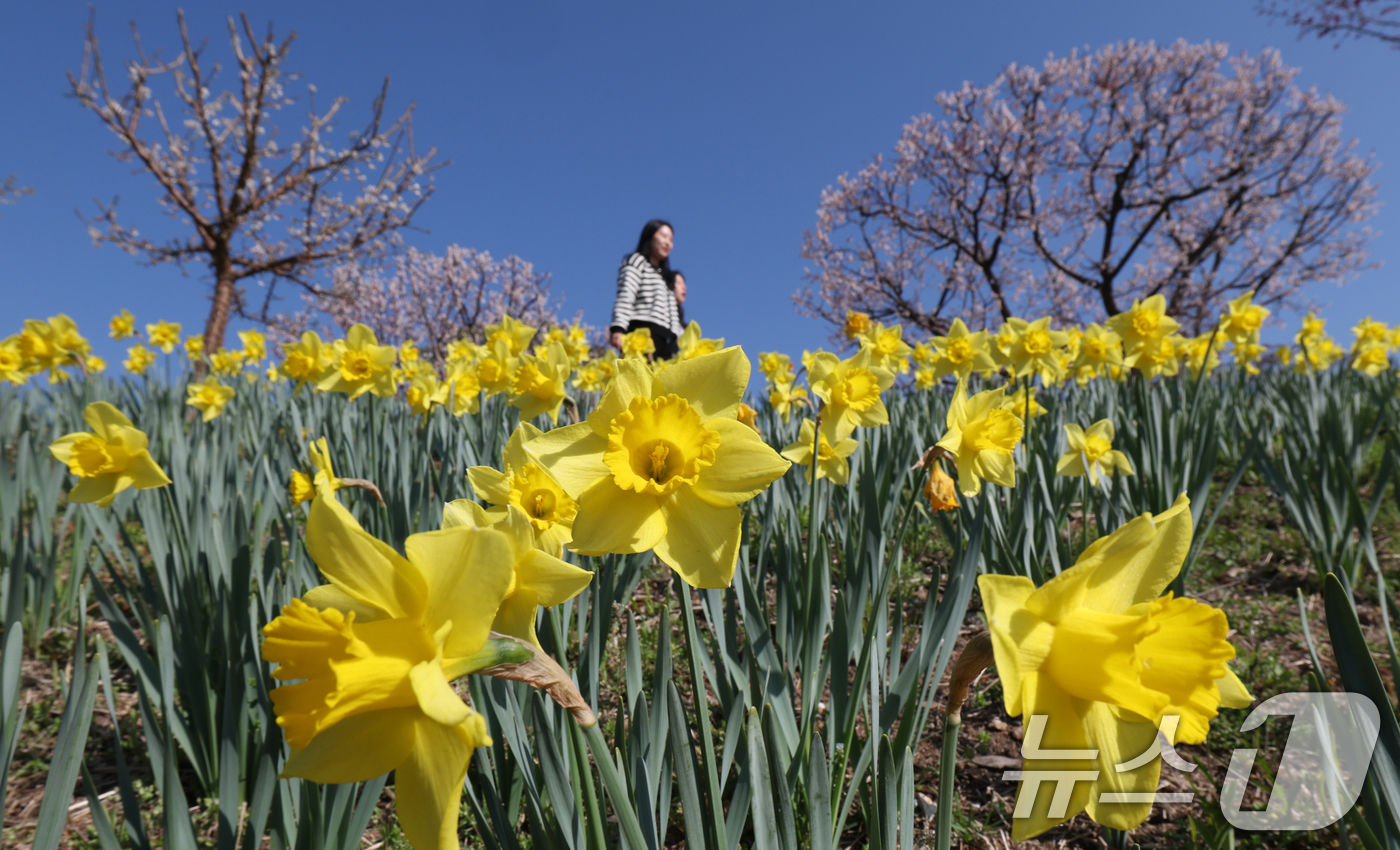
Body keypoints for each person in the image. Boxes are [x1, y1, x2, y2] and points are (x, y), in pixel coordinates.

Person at [610, 220, 683, 360]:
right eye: (663, 236)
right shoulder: (637, 262)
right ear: (649, 236)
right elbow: (626, 295)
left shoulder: (666, 276)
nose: (668, 243)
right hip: (641, 335)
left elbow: (673, 312)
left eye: (671, 240)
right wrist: (618, 329)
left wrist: (675, 338)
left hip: (667, 340)